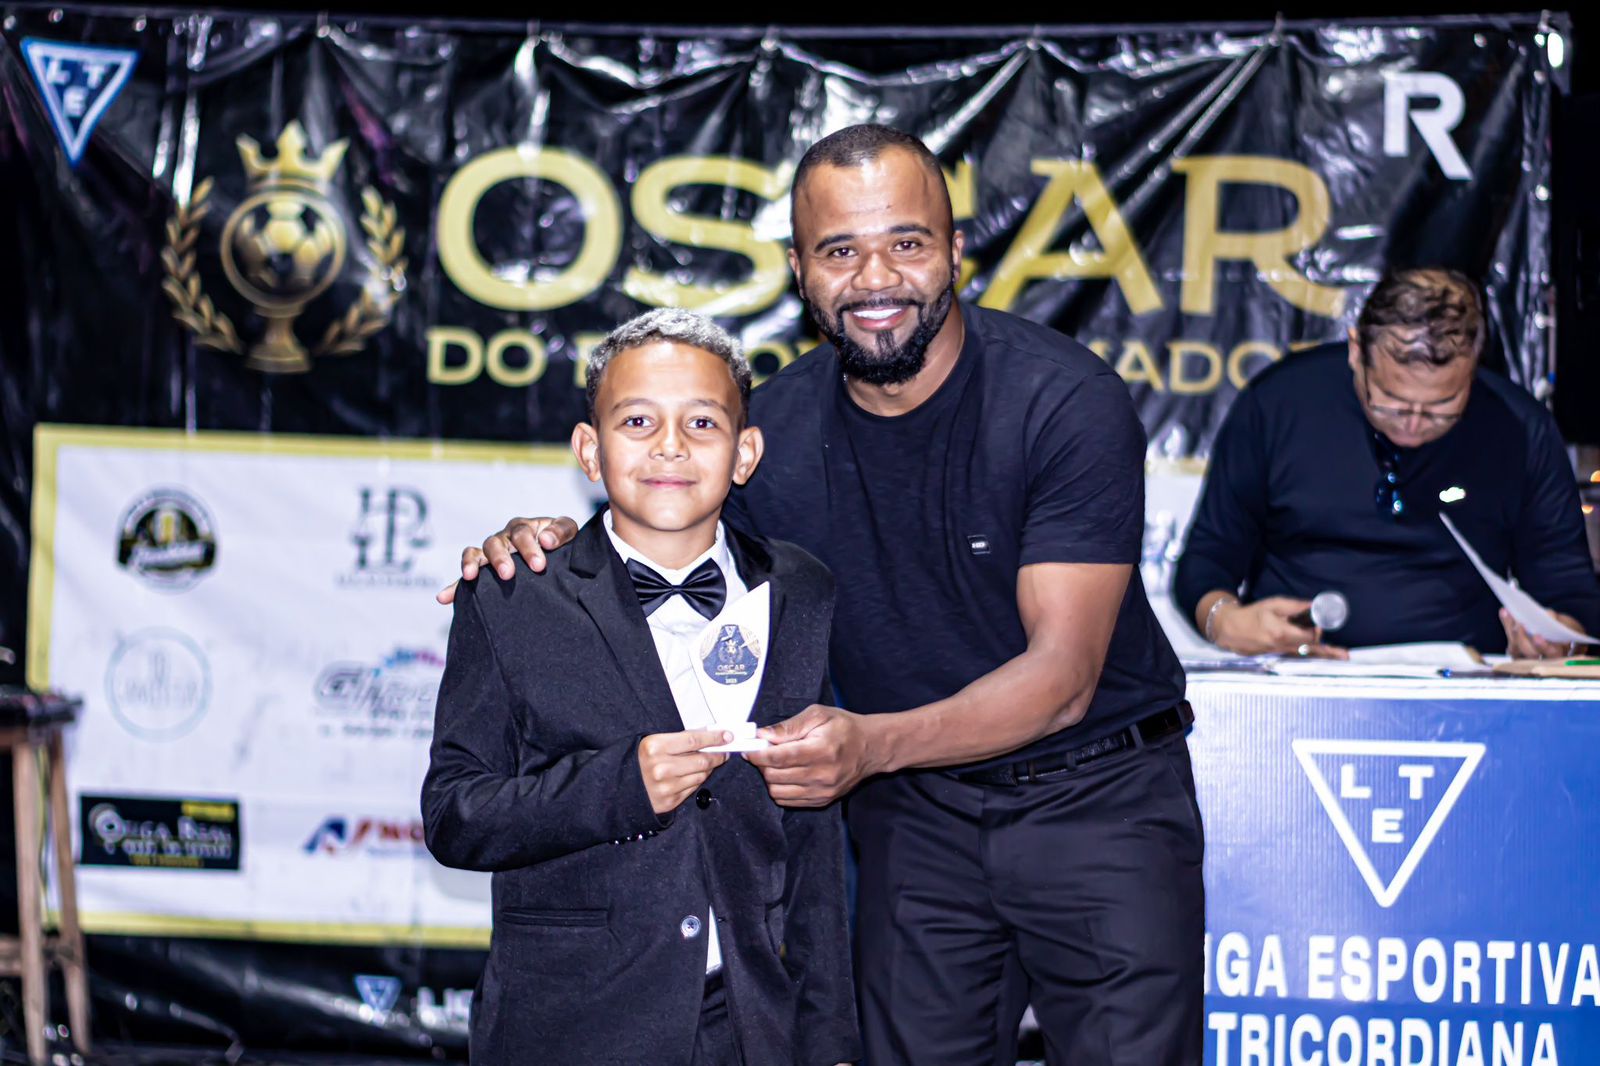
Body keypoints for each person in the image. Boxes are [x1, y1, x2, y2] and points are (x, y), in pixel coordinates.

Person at [443, 125, 1202, 1065]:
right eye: (840, 251)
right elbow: (663, 516)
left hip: (1097, 797)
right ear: (800, 270)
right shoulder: (772, 435)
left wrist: (872, 744)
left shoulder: (1062, 400)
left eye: (906, 243)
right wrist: (549, 543)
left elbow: (1064, 678)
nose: (876, 278)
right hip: (914, 818)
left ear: (957, 250)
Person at [422, 309, 859, 1066]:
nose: (670, 445)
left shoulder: (801, 589)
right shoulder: (510, 594)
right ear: (589, 451)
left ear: (745, 453)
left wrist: (830, 1041)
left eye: (702, 422)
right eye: (637, 421)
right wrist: (620, 786)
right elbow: (455, 816)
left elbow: (812, 839)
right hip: (572, 1025)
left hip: (749, 1027)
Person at [1175, 267, 1600, 659]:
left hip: (1464, 681)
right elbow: (1207, 559)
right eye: (1391, 402)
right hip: (1299, 671)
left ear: (1473, 365)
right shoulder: (1278, 404)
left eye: (1442, 407)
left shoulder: (1520, 429)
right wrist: (1224, 621)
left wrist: (1558, 640)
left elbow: (1569, 589)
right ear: (1356, 352)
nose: (1413, 424)